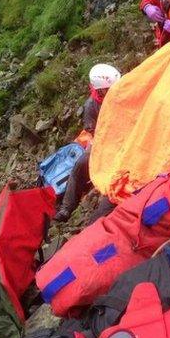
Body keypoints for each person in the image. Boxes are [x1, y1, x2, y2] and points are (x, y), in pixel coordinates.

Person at [54, 64, 122, 222]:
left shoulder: (121, 93)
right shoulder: (91, 106)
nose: (112, 91)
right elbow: (95, 133)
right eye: (108, 89)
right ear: (99, 90)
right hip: (104, 142)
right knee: (82, 163)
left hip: (125, 138)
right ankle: (67, 207)